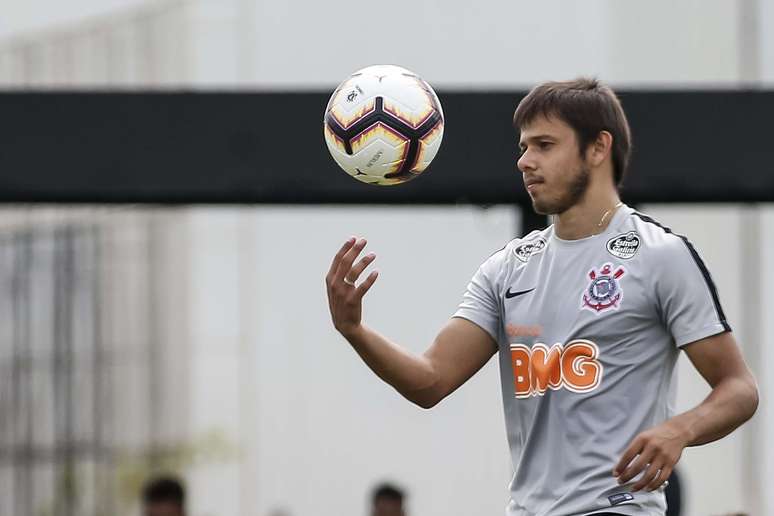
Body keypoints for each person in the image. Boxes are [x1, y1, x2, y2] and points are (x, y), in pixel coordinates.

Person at [324, 78, 759, 516]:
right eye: (523, 148)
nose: (525, 162)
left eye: (544, 145)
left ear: (597, 148)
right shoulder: (507, 268)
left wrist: (680, 430)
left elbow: (738, 388)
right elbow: (431, 380)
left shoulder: (661, 256)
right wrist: (354, 330)